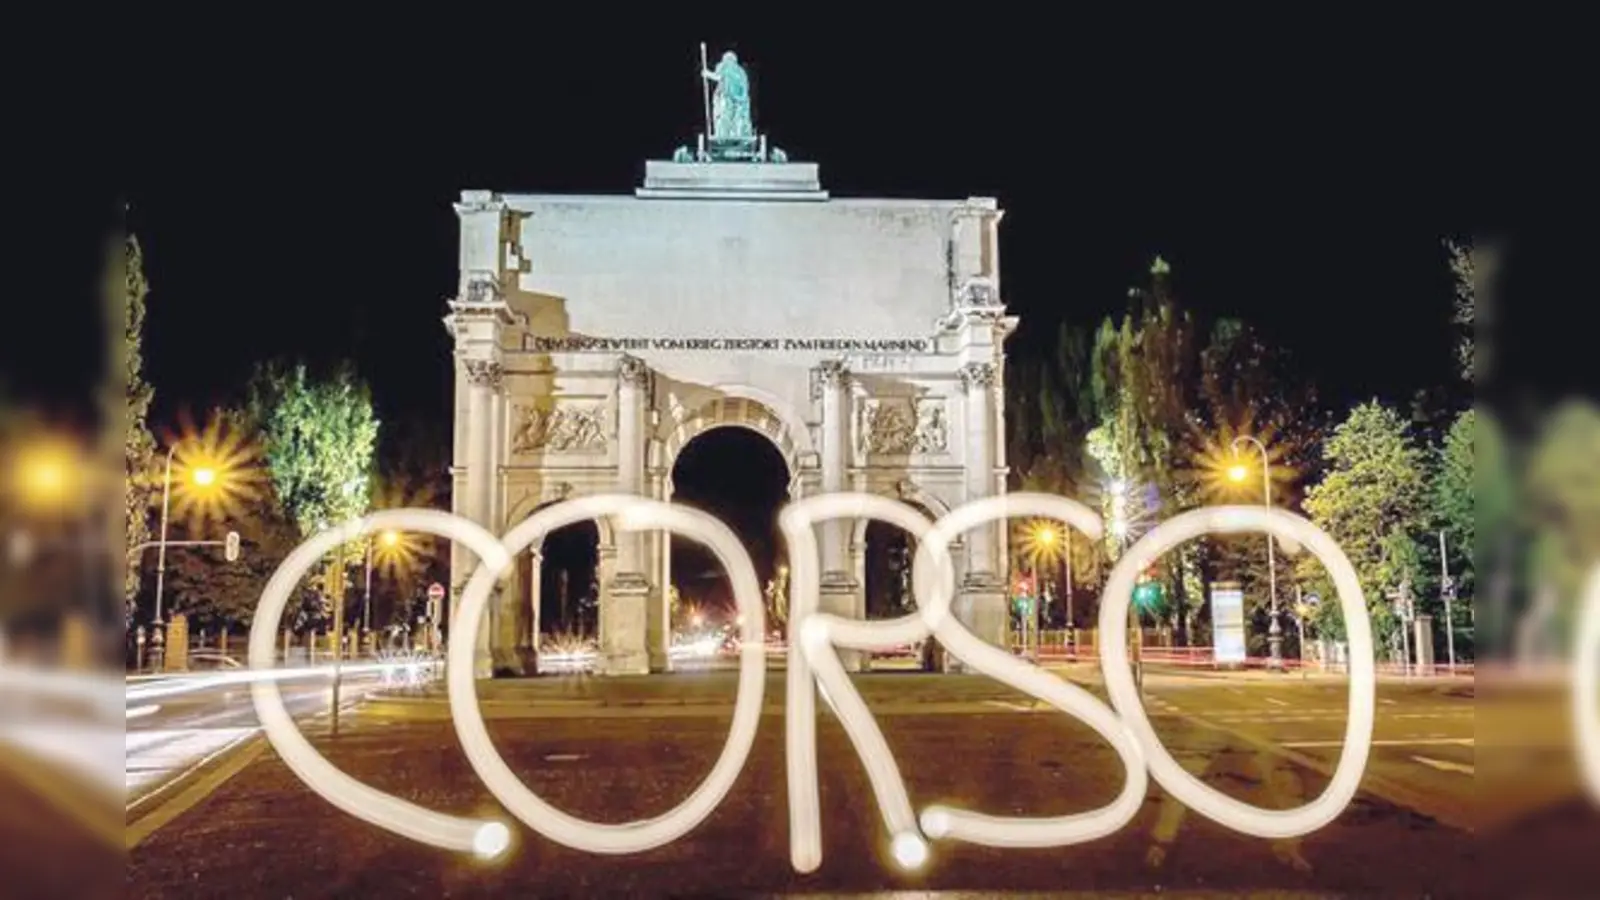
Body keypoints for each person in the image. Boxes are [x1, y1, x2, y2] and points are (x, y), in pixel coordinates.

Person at [702, 50, 753, 140]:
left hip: (727, 98)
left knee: (724, 118)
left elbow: (719, 77)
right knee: (735, 119)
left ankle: (723, 136)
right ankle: (735, 135)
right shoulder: (741, 72)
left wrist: (707, 74)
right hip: (739, 102)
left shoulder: (725, 67)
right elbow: (745, 88)